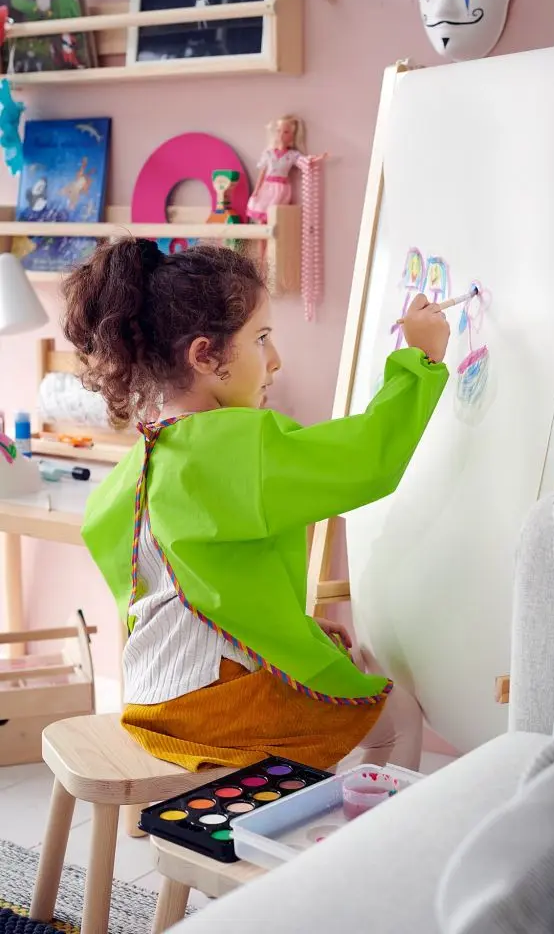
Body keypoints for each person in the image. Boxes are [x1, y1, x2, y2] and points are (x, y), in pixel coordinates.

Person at [63, 238, 450, 773]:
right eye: (261, 339)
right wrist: (421, 361)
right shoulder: (237, 446)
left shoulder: (140, 463)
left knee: (338, 673)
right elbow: (369, 460)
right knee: (399, 715)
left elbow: (200, 588)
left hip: (152, 700)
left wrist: (291, 629)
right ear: (205, 356)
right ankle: (376, 828)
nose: (275, 360)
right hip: (218, 706)